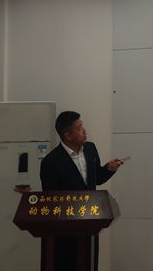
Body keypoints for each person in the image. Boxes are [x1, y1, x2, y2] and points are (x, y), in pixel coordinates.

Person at [40, 111, 124, 271]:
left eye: (82, 126)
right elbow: (51, 200)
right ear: (68, 135)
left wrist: (109, 169)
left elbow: (96, 178)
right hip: (66, 232)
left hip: (90, 222)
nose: (84, 131)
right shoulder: (50, 162)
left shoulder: (90, 149)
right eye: (79, 129)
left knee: (89, 262)